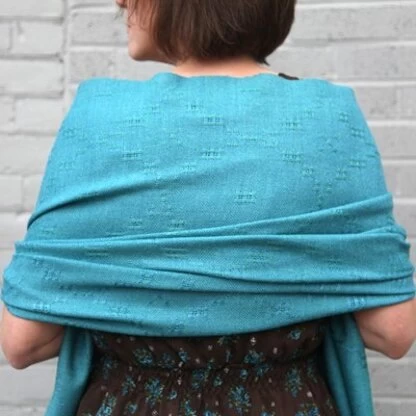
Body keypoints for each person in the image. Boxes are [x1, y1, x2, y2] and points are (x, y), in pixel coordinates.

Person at [1, 1, 415, 415]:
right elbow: (392, 332)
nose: (121, 2)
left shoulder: (97, 117)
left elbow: (23, 342)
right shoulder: (329, 117)